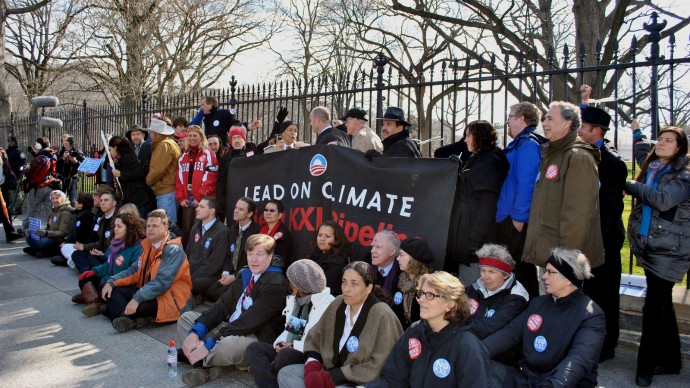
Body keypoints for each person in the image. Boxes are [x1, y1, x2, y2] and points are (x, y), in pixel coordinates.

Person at [482, 247, 605, 387]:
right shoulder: (538, 303)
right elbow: (510, 333)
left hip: (560, 384)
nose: (544, 276)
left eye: (550, 272)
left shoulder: (590, 315)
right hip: (527, 379)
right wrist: (477, 351)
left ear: (568, 279)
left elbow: (579, 360)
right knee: (474, 364)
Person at [176, 234, 288, 386]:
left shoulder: (275, 284)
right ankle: (204, 360)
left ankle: (199, 358)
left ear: (270, 255)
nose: (254, 260)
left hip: (254, 335)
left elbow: (248, 323)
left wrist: (211, 342)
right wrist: (197, 331)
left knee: (224, 346)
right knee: (186, 319)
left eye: (259, 255)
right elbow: (222, 305)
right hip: (231, 327)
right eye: (250, 254)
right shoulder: (246, 274)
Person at [626, 124, 689, 386]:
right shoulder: (653, 167)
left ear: (679, 148)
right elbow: (642, 150)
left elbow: (663, 200)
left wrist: (630, 185)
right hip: (651, 247)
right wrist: (638, 131)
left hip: (669, 251)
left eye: (669, 141)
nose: (662, 143)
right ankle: (672, 360)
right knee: (662, 305)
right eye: (660, 139)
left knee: (653, 307)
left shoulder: (682, 177)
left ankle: (645, 368)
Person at [277, 261, 404, 387]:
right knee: (286, 374)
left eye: (354, 284)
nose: (347, 289)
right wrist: (312, 365)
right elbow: (316, 338)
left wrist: (332, 377)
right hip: (329, 368)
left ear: (368, 288)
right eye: (344, 282)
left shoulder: (382, 314)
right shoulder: (338, 303)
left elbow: (380, 364)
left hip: (357, 381)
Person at [522, 102, 604, 287]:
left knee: (561, 309)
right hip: (549, 253)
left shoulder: (578, 157)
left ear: (567, 123)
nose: (544, 123)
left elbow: (578, 214)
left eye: (550, 118)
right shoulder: (552, 154)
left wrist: (564, 261)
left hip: (561, 260)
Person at [369, 272, 491, 388]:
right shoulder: (414, 332)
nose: (421, 300)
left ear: (450, 304)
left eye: (430, 295)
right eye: (421, 293)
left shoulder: (468, 346)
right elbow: (393, 379)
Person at [577, 104, 628, 362]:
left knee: (603, 296)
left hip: (603, 241)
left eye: (582, 127)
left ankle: (605, 347)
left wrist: (600, 244)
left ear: (596, 131)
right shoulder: (579, 153)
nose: (578, 131)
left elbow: (611, 209)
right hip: (581, 238)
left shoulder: (612, 163)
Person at [246, 259, 336, 388]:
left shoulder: (326, 304)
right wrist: (280, 344)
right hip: (292, 348)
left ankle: (270, 373)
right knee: (254, 348)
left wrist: (292, 346)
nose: (288, 284)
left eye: (290, 281)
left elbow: (317, 344)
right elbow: (292, 331)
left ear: (299, 285)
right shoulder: (298, 302)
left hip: (310, 355)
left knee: (285, 355)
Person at [101, 209, 192, 333]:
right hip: (148, 292)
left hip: (169, 299)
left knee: (116, 307)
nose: (150, 229)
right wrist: (112, 281)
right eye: (148, 226)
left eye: (155, 226)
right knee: (114, 291)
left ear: (165, 228)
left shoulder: (173, 250)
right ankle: (133, 319)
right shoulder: (147, 245)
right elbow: (133, 272)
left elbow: (161, 283)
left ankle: (122, 315)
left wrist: (137, 298)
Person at [445, 120, 509, 287]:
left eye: (468, 135)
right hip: (466, 228)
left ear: (479, 137)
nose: (465, 140)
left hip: (476, 235)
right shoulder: (478, 158)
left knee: (473, 280)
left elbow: (488, 205)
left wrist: (474, 240)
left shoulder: (491, 160)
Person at [495, 102, 544, 298]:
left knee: (522, 275)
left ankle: (528, 315)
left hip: (515, 221)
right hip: (509, 218)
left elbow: (526, 184)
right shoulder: (520, 143)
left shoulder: (528, 145)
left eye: (510, 116)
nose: (507, 121)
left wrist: (518, 218)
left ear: (522, 118)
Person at [466, 244, 529, 368]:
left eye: (491, 272)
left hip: (499, 361)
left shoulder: (516, 298)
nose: (485, 276)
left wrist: (455, 324)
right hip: (469, 347)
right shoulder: (476, 287)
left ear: (505, 275)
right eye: (482, 270)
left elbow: (489, 327)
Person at [74, 213, 144, 317]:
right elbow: (108, 265)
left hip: (120, 283)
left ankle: (93, 298)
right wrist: (94, 271)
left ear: (129, 228)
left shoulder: (137, 248)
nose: (115, 229)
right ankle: (95, 301)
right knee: (84, 278)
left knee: (111, 295)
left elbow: (132, 273)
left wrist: (112, 282)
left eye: (119, 226)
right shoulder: (115, 243)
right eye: (115, 226)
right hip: (108, 278)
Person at [175, 125, 218, 246]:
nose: (192, 138)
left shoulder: (208, 154)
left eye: (195, 135)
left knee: (199, 230)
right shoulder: (183, 156)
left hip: (203, 198)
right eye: (190, 136)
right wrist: (181, 197)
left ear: (201, 137)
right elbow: (179, 179)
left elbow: (211, 177)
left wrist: (199, 197)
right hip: (187, 198)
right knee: (187, 229)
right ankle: (187, 258)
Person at [186, 197, 231, 303]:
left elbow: (214, 264)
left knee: (188, 284)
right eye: (198, 206)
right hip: (192, 273)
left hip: (209, 276)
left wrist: (190, 277)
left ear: (212, 211)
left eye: (201, 207)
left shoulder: (222, 231)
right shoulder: (195, 228)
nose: (197, 209)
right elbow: (188, 253)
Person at [216, 122, 257, 221]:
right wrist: (222, 201)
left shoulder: (253, 152)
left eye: (239, 137)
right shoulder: (225, 159)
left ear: (244, 139)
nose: (236, 141)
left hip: (250, 196)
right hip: (231, 198)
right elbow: (221, 181)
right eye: (233, 138)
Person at [70, 191, 118, 273]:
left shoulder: (117, 220)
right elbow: (101, 243)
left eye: (106, 200)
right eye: (101, 200)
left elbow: (117, 244)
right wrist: (84, 247)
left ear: (114, 203)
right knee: (76, 254)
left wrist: (104, 254)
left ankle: (91, 272)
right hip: (100, 252)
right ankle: (89, 271)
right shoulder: (102, 219)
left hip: (111, 256)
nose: (102, 203)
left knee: (92, 258)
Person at [145, 119, 182, 223]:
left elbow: (157, 170)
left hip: (166, 190)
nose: (150, 134)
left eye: (151, 132)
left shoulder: (163, 145)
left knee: (167, 224)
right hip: (168, 189)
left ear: (155, 134)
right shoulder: (167, 143)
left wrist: (148, 181)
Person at [109, 136, 154, 218]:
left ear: (115, 148)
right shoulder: (120, 159)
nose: (110, 152)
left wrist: (121, 174)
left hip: (138, 198)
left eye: (110, 149)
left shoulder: (128, 157)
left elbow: (139, 173)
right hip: (130, 198)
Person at [305, 220, 353, 296]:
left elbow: (322, 287)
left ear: (336, 239)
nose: (322, 239)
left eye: (327, 236)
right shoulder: (315, 252)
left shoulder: (339, 262)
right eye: (320, 235)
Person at [396, 237, 435, 329]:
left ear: (414, 259)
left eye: (401, 255)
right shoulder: (399, 280)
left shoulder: (430, 285)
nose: (397, 258)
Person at [221, 197, 262, 284]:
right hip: (229, 274)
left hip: (244, 278)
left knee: (217, 295)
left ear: (250, 213)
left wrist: (234, 277)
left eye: (241, 209)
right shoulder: (233, 229)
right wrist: (225, 272)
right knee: (210, 292)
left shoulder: (257, 232)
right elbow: (228, 254)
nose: (236, 211)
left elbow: (254, 261)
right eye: (236, 207)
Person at [23, 190, 74, 258]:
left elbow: (63, 233)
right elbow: (48, 227)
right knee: (29, 236)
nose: (54, 200)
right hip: (49, 235)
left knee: (40, 243)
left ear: (62, 199)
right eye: (53, 198)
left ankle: (37, 250)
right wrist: (37, 231)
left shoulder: (65, 213)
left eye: (57, 198)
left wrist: (46, 233)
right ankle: (39, 251)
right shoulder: (52, 211)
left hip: (58, 239)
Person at [22, 137, 58, 232]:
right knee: (50, 210)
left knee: (32, 209)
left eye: (36, 144)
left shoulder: (39, 158)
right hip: (49, 186)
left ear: (39, 145)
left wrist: (25, 170)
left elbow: (31, 172)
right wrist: (34, 153)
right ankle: (52, 228)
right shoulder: (52, 155)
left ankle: (26, 228)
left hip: (37, 188)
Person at [371, 230, 406, 326]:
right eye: (372, 246)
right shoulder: (366, 266)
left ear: (392, 251)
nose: (372, 251)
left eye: (378, 247)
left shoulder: (402, 274)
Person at [51, 192, 95, 267]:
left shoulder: (88, 216)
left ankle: (72, 260)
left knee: (63, 248)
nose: (74, 201)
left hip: (80, 245)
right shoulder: (77, 213)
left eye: (76, 200)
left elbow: (83, 236)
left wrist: (68, 243)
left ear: (81, 204)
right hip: (72, 242)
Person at [260, 199, 294, 267]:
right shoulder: (260, 231)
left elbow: (281, 261)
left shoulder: (284, 235)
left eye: (272, 211)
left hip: (275, 272)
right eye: (266, 210)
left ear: (280, 215)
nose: (268, 213)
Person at [56, 134, 85, 206]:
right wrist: (62, 158)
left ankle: (73, 215)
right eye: (64, 141)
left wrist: (75, 161)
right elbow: (55, 166)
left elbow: (84, 163)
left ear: (71, 142)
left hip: (73, 177)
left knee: (73, 200)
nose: (65, 142)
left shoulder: (76, 151)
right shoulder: (59, 152)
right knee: (59, 199)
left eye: (67, 141)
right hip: (61, 178)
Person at [0, 149, 22, 242]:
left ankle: (10, 233)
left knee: (5, 208)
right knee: (3, 207)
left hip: (3, 183)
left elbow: (6, 167)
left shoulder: (2, 152)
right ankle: (10, 232)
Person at [5, 135, 26, 215]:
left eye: (12, 141)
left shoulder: (20, 152)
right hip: (7, 176)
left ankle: (17, 209)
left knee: (16, 193)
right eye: (9, 141)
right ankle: (10, 208)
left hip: (15, 176)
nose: (10, 143)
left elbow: (22, 164)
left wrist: (19, 175)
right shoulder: (7, 151)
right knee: (9, 193)